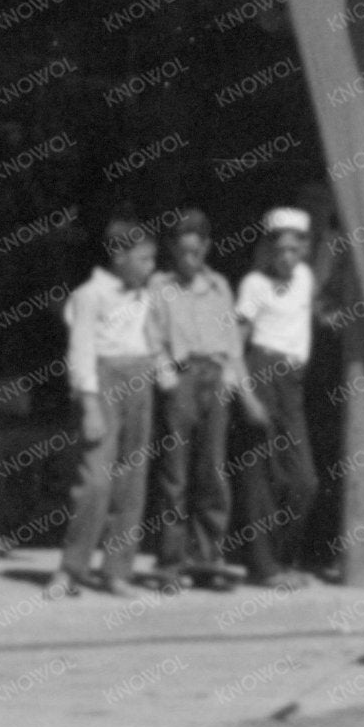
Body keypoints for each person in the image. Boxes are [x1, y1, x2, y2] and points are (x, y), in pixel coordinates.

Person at [55, 219, 160, 600]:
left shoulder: (146, 293)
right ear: (118, 256)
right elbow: (81, 351)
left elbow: (153, 336)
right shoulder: (90, 295)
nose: (151, 266)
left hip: (139, 379)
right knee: (95, 481)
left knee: (132, 481)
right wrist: (89, 406)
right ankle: (71, 568)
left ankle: (118, 570)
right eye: (144, 258)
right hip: (103, 381)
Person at [144, 209, 243, 591]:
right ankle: (170, 561)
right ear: (172, 250)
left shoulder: (219, 285)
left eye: (196, 252)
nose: (190, 259)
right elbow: (152, 333)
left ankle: (207, 557)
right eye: (183, 251)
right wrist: (165, 373)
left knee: (213, 471)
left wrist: (230, 373)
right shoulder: (160, 285)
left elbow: (231, 335)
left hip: (214, 377)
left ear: (206, 248)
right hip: (182, 378)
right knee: (175, 474)